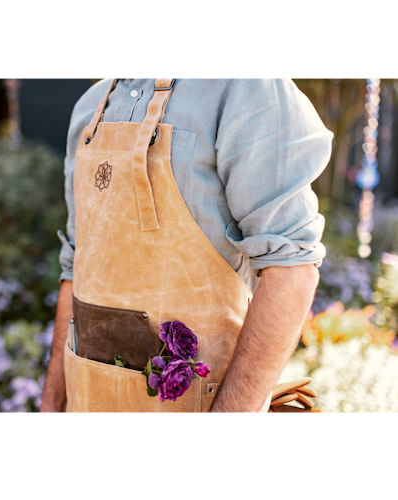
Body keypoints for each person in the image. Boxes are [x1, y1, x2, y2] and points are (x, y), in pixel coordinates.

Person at [40, 78, 333, 413]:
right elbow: (75, 266)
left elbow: (291, 271)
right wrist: (51, 405)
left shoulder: (245, 89)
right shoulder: (89, 108)